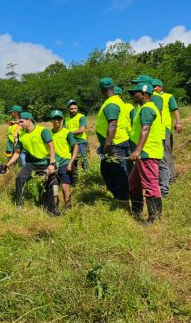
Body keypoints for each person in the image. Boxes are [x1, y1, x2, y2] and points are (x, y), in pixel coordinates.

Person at [5, 112, 59, 215]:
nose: (19, 124)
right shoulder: (22, 134)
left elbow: (52, 148)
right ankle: (19, 205)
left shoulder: (43, 131)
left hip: (46, 162)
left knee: (51, 185)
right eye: (19, 122)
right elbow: (17, 152)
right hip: (33, 163)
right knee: (19, 179)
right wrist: (8, 164)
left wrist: (51, 164)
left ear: (29, 120)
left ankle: (53, 209)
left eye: (21, 122)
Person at [127, 81, 165, 223]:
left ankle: (154, 219)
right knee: (134, 183)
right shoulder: (145, 108)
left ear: (143, 94)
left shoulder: (147, 109)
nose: (133, 95)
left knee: (150, 185)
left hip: (147, 153)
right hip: (143, 153)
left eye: (135, 93)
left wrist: (137, 150)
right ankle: (136, 215)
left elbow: (145, 129)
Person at [96, 78, 132, 206]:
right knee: (107, 171)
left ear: (102, 90)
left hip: (115, 144)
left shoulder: (111, 103)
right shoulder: (117, 100)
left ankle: (123, 200)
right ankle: (120, 196)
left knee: (118, 173)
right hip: (115, 143)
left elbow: (112, 124)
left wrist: (107, 144)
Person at [152, 78, 183, 196]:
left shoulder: (168, 97)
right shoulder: (150, 98)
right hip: (154, 129)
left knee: (166, 153)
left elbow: (175, 110)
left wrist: (178, 122)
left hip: (165, 128)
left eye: (156, 86)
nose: (154, 88)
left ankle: (171, 178)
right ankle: (161, 178)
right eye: (152, 86)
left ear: (161, 87)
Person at [50, 110, 79, 209]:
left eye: (59, 119)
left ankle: (68, 207)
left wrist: (71, 162)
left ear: (62, 120)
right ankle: (55, 208)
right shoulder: (49, 134)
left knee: (65, 186)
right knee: (54, 188)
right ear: (51, 120)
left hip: (65, 162)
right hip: (53, 164)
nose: (57, 121)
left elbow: (75, 146)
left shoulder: (67, 133)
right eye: (55, 119)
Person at [65, 100, 89, 171]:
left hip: (80, 141)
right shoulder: (66, 119)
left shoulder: (81, 117)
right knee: (73, 161)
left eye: (75, 108)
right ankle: (75, 178)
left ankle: (87, 175)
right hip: (71, 143)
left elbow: (81, 130)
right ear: (68, 109)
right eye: (71, 109)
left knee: (83, 160)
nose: (73, 110)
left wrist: (69, 134)